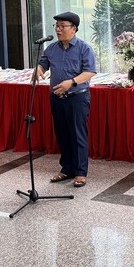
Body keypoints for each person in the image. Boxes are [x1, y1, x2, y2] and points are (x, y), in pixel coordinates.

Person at [36, 11, 97, 188]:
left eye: (63, 26)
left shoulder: (84, 48)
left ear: (74, 29)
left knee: (77, 135)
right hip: (57, 97)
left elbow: (89, 72)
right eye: (57, 26)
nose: (58, 29)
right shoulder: (52, 48)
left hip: (77, 98)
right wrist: (38, 69)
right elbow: (43, 63)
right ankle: (67, 169)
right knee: (62, 135)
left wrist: (71, 82)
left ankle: (80, 172)